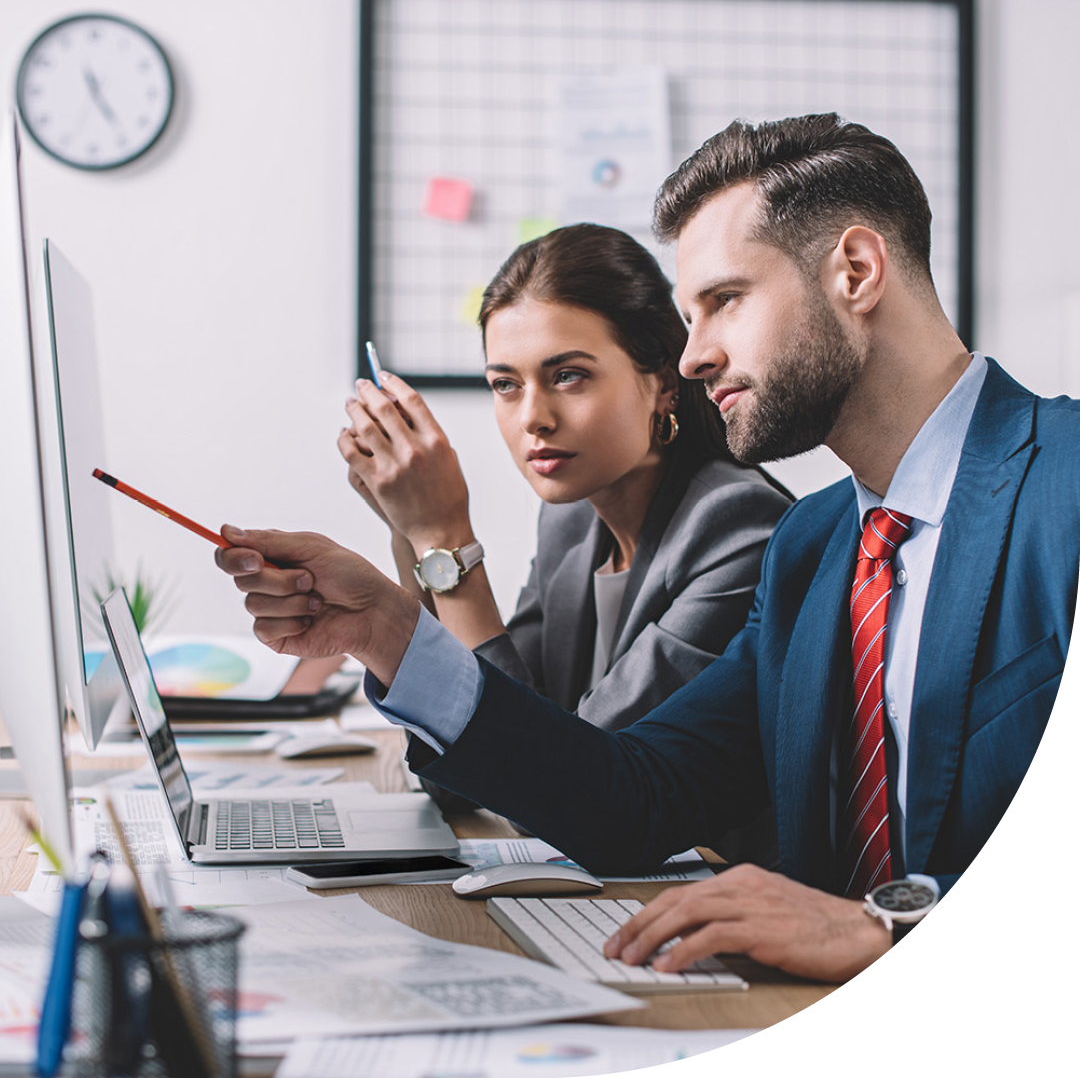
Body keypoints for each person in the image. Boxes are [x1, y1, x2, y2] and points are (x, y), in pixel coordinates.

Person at [216, 114, 1079, 985]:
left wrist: (898, 935)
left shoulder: (1067, 489)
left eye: (725, 301)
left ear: (855, 272)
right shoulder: (816, 549)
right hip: (815, 1028)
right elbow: (634, 795)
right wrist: (391, 635)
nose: (696, 355)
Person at [337, 225, 790, 742]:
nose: (533, 418)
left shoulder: (737, 527)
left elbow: (547, 778)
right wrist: (411, 533)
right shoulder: (569, 521)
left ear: (663, 384)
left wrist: (445, 537)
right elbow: (460, 754)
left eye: (568, 376)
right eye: (506, 384)